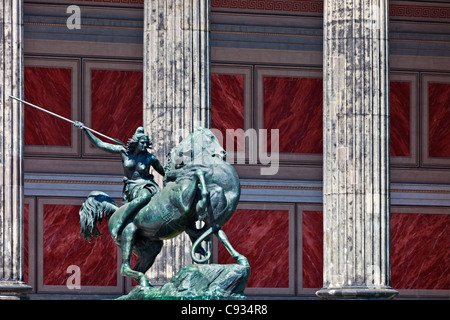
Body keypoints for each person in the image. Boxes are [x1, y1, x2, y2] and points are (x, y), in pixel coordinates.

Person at [74, 122, 165, 239]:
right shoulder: (124, 152)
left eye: (146, 143)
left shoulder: (150, 158)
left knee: (144, 197)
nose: (144, 145)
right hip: (131, 188)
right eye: (142, 143)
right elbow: (100, 144)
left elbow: (163, 173)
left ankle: (120, 221)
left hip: (146, 185)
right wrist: (85, 130)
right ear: (136, 142)